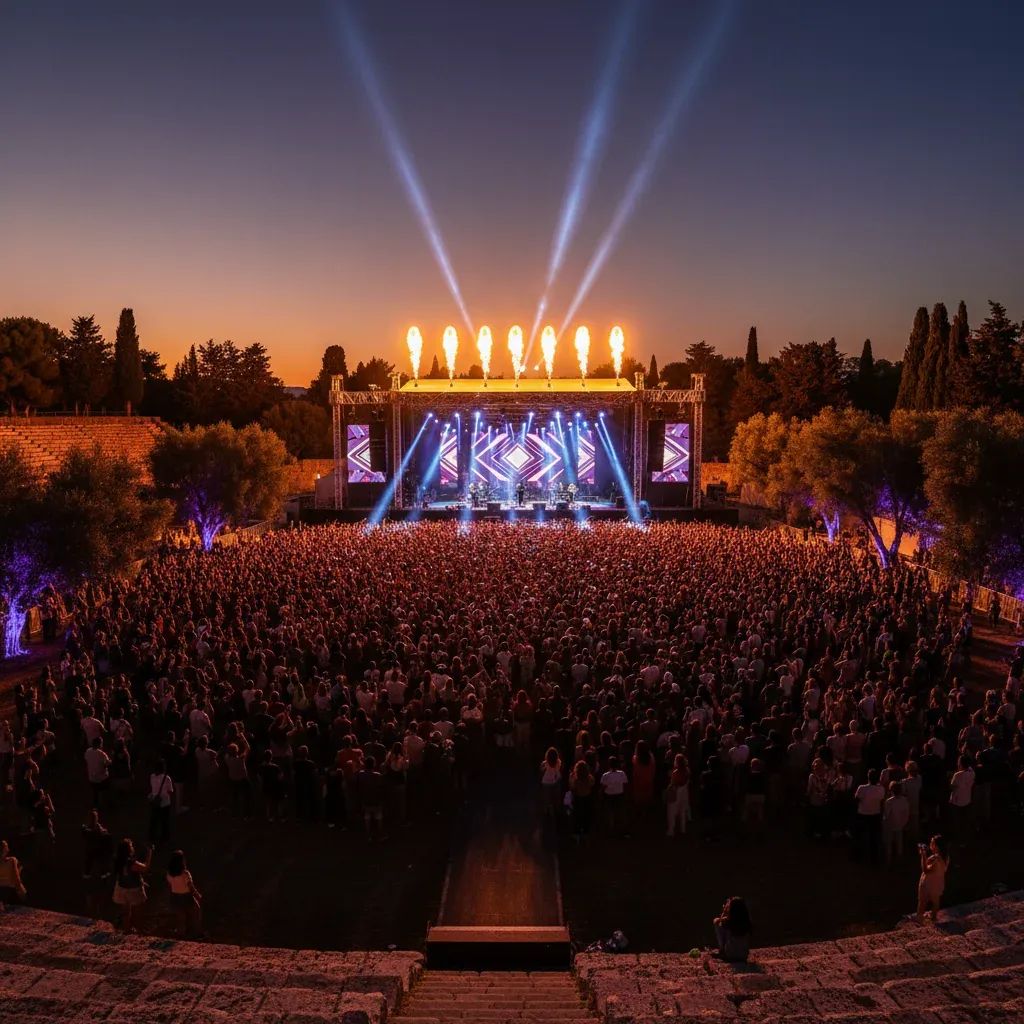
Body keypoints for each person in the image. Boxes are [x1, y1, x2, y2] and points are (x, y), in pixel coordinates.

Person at [112, 838, 151, 932]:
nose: (132, 847)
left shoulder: (117, 859)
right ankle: (139, 931)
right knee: (137, 912)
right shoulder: (131, 862)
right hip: (133, 889)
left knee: (125, 911)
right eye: (131, 846)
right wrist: (150, 853)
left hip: (121, 887)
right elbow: (145, 868)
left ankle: (127, 929)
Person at [166, 849, 202, 938]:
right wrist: (197, 895)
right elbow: (190, 886)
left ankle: (181, 934)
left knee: (180, 918)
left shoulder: (169, 874)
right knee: (196, 913)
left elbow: (170, 885)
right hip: (186, 897)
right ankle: (196, 933)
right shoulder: (185, 873)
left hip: (175, 897)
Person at [916, 834, 950, 924]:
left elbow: (925, 870)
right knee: (936, 902)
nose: (930, 845)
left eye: (932, 843)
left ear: (936, 846)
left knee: (922, 902)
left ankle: (919, 920)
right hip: (938, 883)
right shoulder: (945, 857)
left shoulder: (936, 859)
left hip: (928, 883)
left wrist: (923, 855)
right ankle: (934, 917)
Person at [713, 896, 752, 962]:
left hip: (730, 955)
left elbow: (716, 921)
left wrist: (724, 912)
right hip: (744, 955)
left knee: (718, 923)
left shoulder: (728, 922)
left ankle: (722, 951)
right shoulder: (746, 922)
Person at [148, 759, 174, 844]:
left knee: (154, 820)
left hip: (155, 802)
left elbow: (152, 788)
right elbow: (170, 791)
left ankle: (152, 836)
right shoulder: (167, 778)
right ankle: (165, 837)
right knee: (165, 821)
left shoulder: (152, 776)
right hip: (165, 802)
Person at [665, 753, 691, 837]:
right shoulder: (687, 770)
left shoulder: (675, 772)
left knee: (671, 813)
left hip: (676, 793)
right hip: (684, 793)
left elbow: (673, 783)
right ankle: (683, 829)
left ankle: (671, 830)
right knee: (682, 812)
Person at [0, 840, 27, 905]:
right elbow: (16, 876)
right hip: (9, 890)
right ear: (4, 849)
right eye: (6, 846)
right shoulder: (12, 860)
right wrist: (20, 889)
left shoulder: (10, 860)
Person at [540, 747, 563, 819]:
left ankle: (547, 811)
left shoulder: (544, 764)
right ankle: (556, 810)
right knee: (556, 796)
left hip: (546, 783)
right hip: (555, 781)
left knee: (547, 797)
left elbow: (541, 771)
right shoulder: (558, 762)